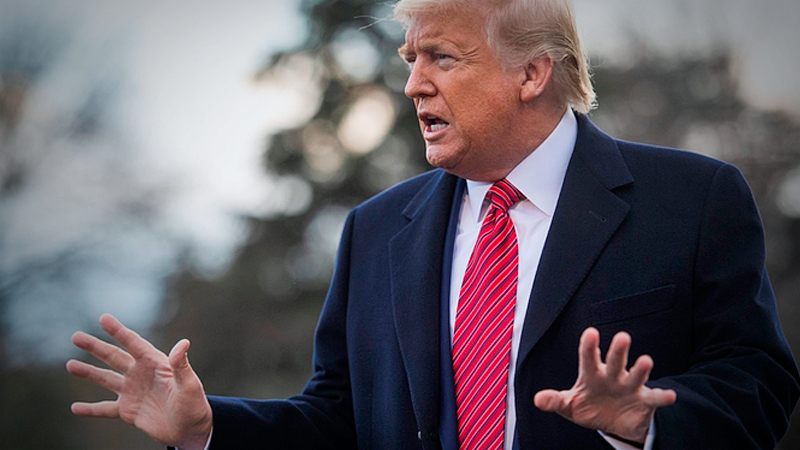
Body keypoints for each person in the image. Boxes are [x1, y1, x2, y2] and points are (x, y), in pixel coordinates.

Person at [67, 0, 800, 449]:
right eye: (411, 58)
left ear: (531, 73)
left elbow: (761, 385)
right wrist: (207, 430)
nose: (414, 82)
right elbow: (338, 421)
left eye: (443, 57)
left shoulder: (693, 199)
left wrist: (644, 422)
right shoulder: (376, 230)